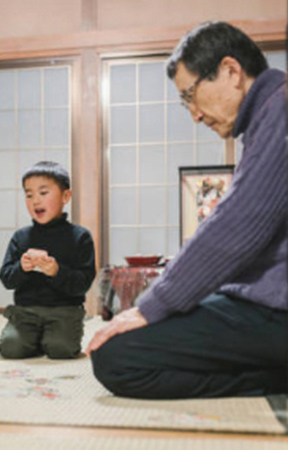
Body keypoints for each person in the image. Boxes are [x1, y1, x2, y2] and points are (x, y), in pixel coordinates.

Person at [88, 21, 287, 399]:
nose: (194, 114)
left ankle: (273, 379)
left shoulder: (280, 108)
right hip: (263, 302)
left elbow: (237, 227)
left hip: (277, 312)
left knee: (116, 356)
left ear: (231, 71)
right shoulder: (270, 112)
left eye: (191, 95)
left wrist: (151, 306)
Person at [0, 161, 96, 359]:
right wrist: (21, 268)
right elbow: (6, 279)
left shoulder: (80, 236)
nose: (35, 201)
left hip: (65, 311)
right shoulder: (21, 237)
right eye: (29, 194)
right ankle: (32, 339)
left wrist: (56, 272)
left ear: (66, 196)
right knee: (10, 348)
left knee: (61, 349)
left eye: (43, 193)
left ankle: (44, 339)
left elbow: (82, 283)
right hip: (25, 312)